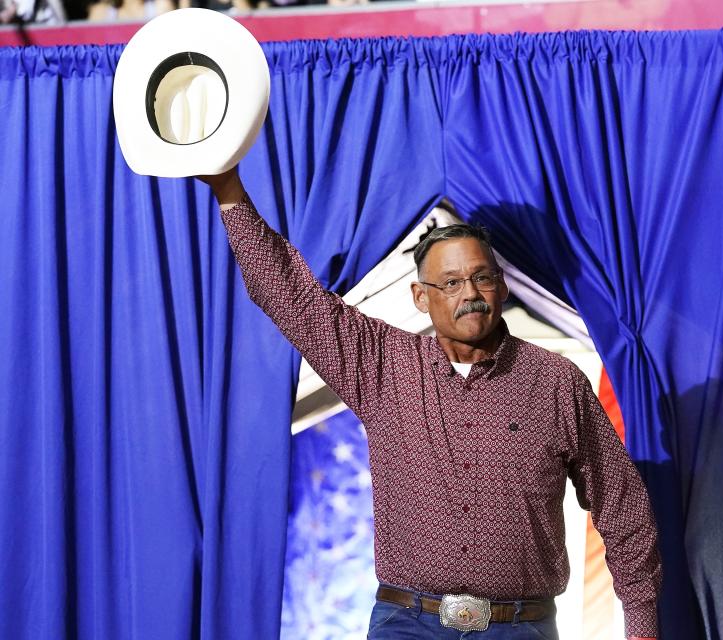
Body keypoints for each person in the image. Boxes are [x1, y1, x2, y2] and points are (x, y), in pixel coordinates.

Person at [199, 167, 662, 639]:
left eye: (482, 278)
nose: (471, 294)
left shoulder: (555, 382)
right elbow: (289, 295)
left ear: (501, 287)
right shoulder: (382, 364)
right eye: (452, 283)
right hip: (407, 625)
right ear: (421, 297)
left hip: (522, 627)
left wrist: (641, 625)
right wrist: (230, 191)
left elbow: (621, 503)